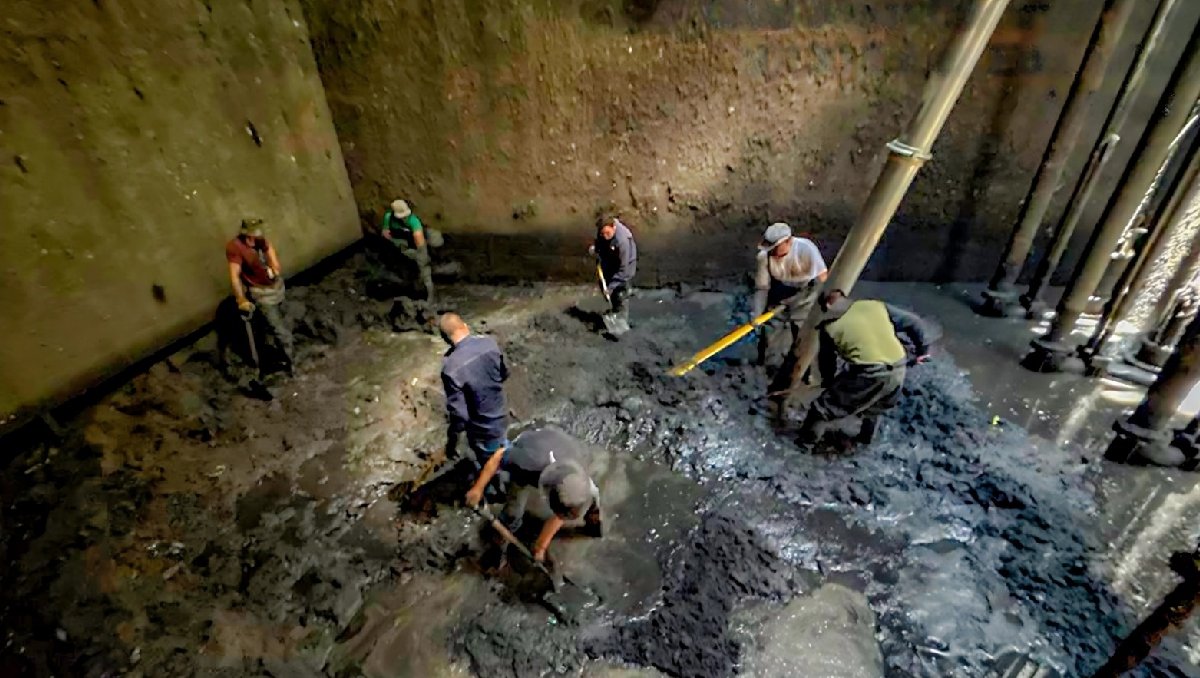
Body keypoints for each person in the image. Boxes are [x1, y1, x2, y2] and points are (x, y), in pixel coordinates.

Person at [797, 289, 932, 447]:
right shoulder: (874, 306)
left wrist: (829, 383)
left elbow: (828, 364)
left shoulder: (828, 327)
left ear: (827, 306)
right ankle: (864, 441)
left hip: (870, 371)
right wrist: (923, 351)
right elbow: (914, 322)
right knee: (875, 407)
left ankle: (805, 445)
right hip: (899, 366)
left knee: (822, 409)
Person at [479, 425, 604, 564]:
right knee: (513, 512)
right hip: (529, 444)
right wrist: (477, 489)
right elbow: (499, 456)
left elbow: (563, 511)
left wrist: (540, 546)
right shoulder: (525, 463)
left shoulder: (579, 466)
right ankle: (500, 542)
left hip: (558, 445)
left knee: (594, 494)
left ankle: (593, 523)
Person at [438, 312, 511, 495]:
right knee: (503, 448)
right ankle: (507, 473)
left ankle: (499, 491)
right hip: (501, 412)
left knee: (491, 461)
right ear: (464, 325)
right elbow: (504, 373)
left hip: (483, 427)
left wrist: (452, 439)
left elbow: (460, 414)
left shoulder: (450, 368)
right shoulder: (489, 344)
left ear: (446, 339)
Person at [753, 222, 828, 385]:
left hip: (805, 295)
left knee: (803, 337)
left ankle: (803, 375)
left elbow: (823, 277)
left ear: (788, 242)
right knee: (769, 334)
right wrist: (757, 314)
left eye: (776, 247)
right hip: (778, 295)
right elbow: (762, 287)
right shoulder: (764, 257)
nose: (772, 251)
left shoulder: (806, 249)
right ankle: (766, 372)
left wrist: (823, 303)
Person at [225, 218, 294, 368]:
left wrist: (274, 268)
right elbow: (234, 276)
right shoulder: (235, 248)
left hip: (276, 288)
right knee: (279, 331)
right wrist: (241, 299)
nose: (254, 240)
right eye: (250, 237)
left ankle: (287, 352)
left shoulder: (261, 241)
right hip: (260, 293)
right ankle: (292, 364)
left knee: (283, 323)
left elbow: (271, 253)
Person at [382, 199, 440, 302]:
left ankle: (429, 293)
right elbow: (385, 233)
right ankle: (410, 285)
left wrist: (421, 256)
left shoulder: (414, 221)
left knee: (424, 268)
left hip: (415, 245)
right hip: (401, 245)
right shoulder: (388, 217)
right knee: (405, 268)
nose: (404, 218)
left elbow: (420, 241)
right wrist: (397, 245)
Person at [590, 215, 637, 335]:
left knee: (620, 293)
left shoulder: (623, 242)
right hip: (611, 260)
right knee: (609, 291)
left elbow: (623, 270)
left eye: (607, 233)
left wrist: (610, 288)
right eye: (603, 234)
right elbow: (601, 240)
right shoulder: (604, 230)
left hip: (625, 268)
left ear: (614, 227)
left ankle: (621, 325)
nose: (605, 236)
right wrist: (596, 248)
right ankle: (614, 310)